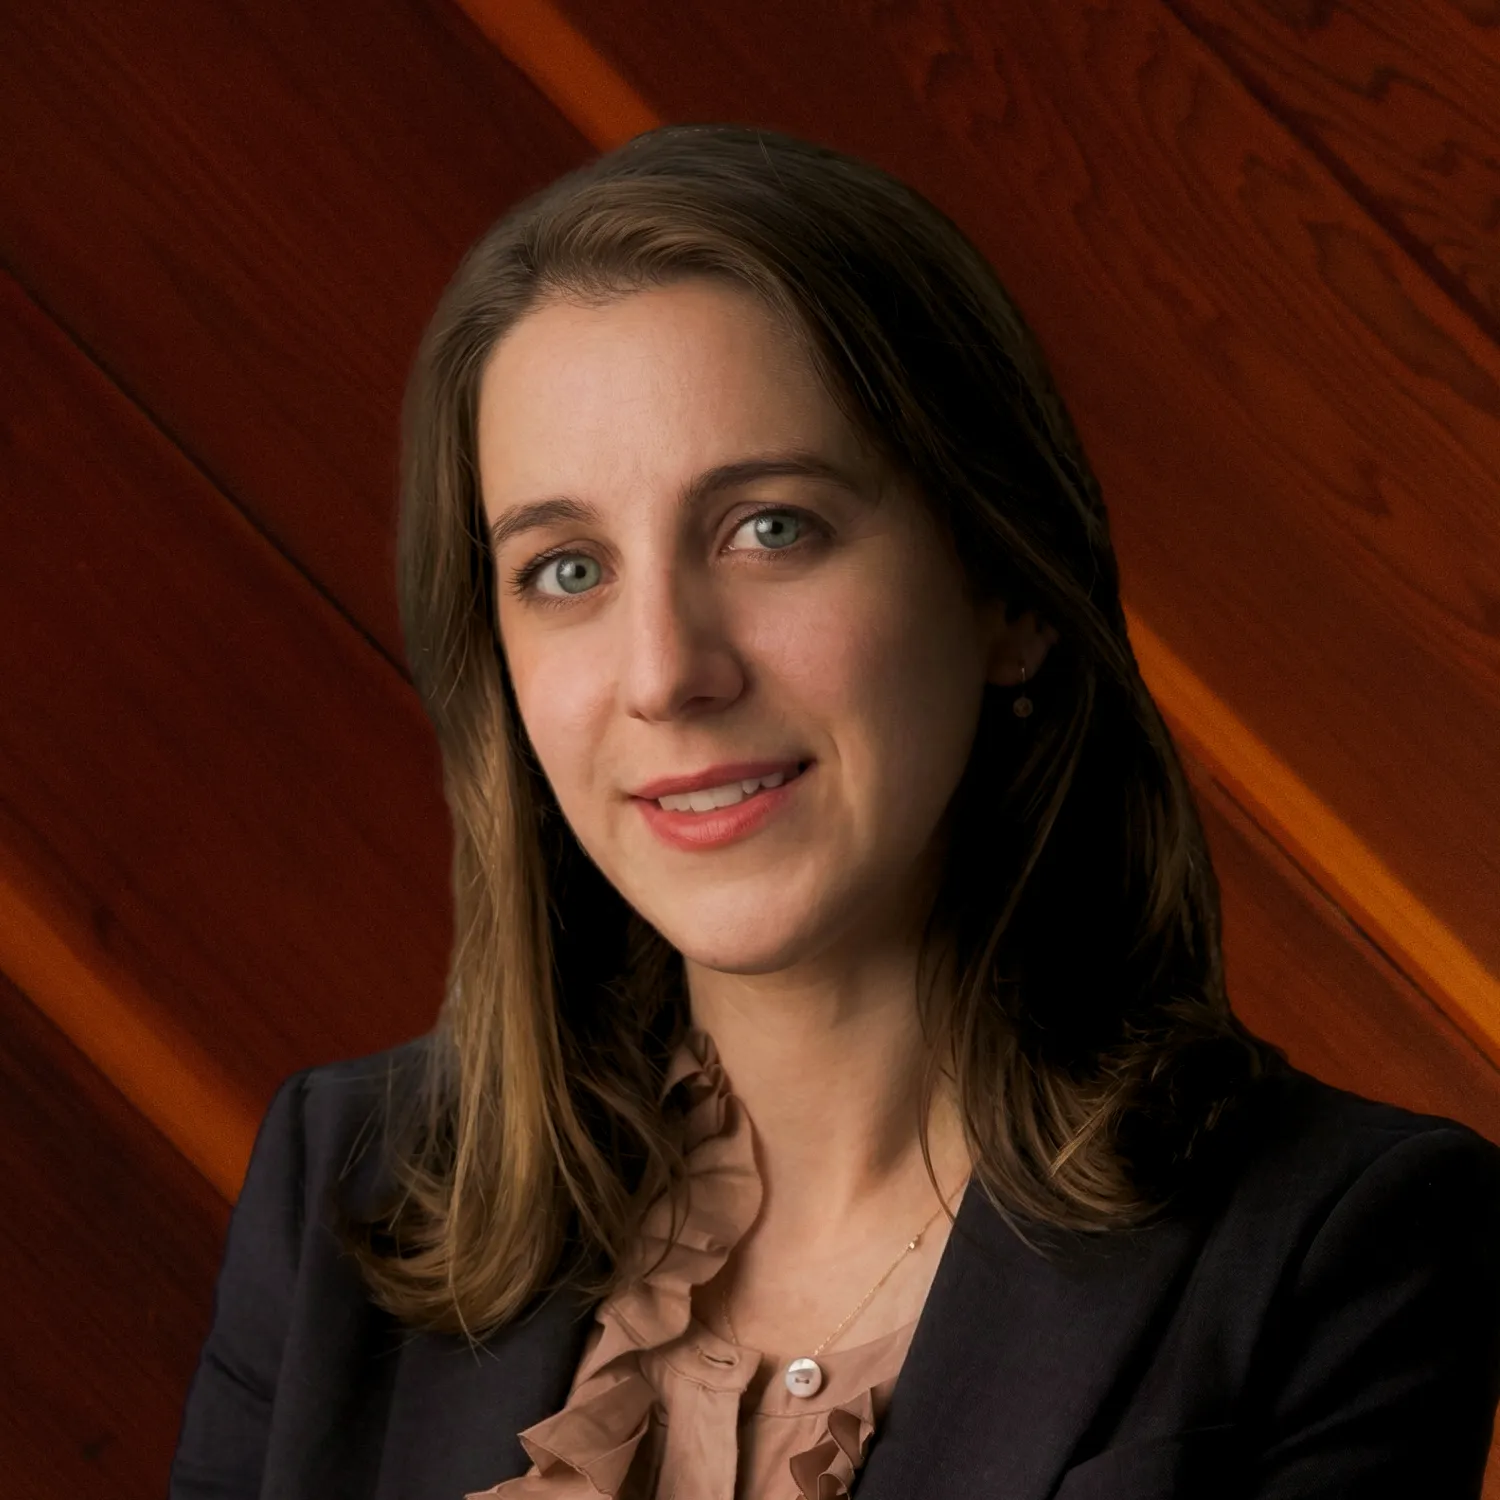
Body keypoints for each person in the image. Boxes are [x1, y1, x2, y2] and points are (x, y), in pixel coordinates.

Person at [169, 123, 1500, 1500]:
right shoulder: (346, 1193)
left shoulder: (1338, 1248)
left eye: (770, 528)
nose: (666, 672)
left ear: (1009, 591)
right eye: (566, 570)